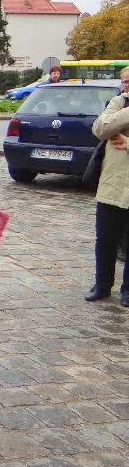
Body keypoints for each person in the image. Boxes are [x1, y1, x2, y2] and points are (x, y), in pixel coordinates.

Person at [85, 66, 129, 307]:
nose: (127, 86)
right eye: (124, 82)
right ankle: (102, 285)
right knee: (105, 240)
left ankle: (128, 291)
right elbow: (100, 129)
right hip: (111, 186)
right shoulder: (118, 102)